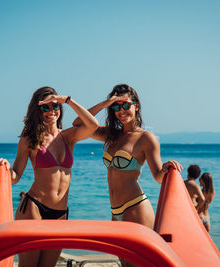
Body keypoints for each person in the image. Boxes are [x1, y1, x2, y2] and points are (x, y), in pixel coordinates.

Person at [73, 84, 182, 267]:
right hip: (115, 212)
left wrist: (167, 169)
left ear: (136, 105)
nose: (121, 110)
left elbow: (157, 176)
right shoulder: (110, 135)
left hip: (136, 208)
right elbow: (78, 123)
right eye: (116, 106)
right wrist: (104, 103)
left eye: (126, 105)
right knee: (124, 264)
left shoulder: (146, 138)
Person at [0, 86, 98, 267]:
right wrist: (4, 168)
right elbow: (16, 175)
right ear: (37, 111)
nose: (51, 111)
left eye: (55, 106)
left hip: (60, 214)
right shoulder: (30, 138)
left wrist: (68, 100)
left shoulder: (68, 137)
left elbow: (92, 125)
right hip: (34, 208)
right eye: (45, 108)